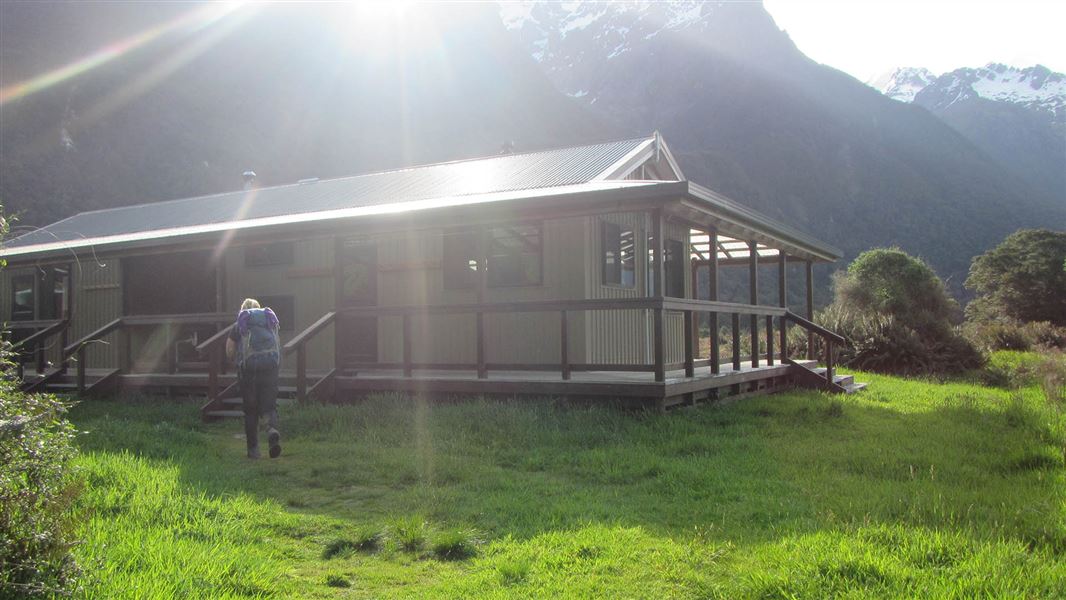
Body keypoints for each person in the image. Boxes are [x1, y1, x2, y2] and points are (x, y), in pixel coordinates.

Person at [226, 298, 282, 459]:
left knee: (251, 411)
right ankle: (271, 430)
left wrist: (235, 360)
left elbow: (229, 350)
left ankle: (253, 451)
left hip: (249, 373)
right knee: (269, 406)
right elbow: (278, 347)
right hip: (270, 370)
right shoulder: (269, 323)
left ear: (243, 311)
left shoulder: (239, 326)